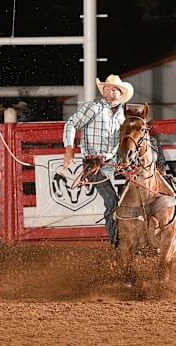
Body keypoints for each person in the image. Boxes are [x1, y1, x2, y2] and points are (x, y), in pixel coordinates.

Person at [62, 74, 134, 247]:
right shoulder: (93, 107)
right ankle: (115, 243)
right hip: (94, 165)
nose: (108, 92)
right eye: (106, 89)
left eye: (112, 90)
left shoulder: (121, 116)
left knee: (134, 193)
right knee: (112, 200)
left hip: (114, 163)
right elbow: (71, 124)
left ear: (120, 94)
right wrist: (69, 149)